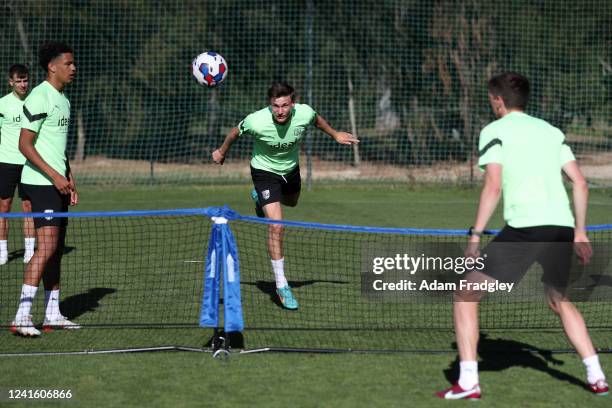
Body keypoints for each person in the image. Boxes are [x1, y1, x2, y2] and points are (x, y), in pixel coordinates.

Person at [437, 72, 608, 399]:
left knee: (465, 293)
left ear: (498, 101)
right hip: (561, 227)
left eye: (491, 100)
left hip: (527, 228)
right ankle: (596, 375)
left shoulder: (494, 130)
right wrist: (580, 233)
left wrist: (474, 236)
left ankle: (469, 382)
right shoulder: (551, 131)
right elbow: (581, 183)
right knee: (559, 299)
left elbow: (493, 186)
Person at [212, 82, 358, 310]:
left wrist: (335, 134)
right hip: (264, 173)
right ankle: (281, 285)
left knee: (292, 202)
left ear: (293, 103)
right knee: (277, 226)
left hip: (291, 171)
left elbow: (317, 120)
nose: (280, 111)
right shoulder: (255, 121)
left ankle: (260, 200)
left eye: (285, 105)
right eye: (275, 106)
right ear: (269, 105)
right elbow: (234, 132)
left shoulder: (304, 113)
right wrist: (222, 152)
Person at [11, 42, 79, 337]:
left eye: (73, 63)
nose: (73, 68)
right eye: (68, 63)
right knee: (47, 247)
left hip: (57, 183)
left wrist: (69, 177)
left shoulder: (63, 99)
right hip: (40, 183)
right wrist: (53, 176)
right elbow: (24, 144)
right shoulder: (39, 96)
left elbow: (57, 147)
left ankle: (53, 314)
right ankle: (22, 316)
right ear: (52, 66)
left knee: (56, 251)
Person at [0, 64, 35, 265]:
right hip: (6, 163)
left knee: (28, 206)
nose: (23, 84)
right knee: (4, 206)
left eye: (25, 80)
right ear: (10, 82)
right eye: (19, 81)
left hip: (30, 163)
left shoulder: (35, 102)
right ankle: (2, 251)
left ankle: (29, 251)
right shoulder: (2, 104)